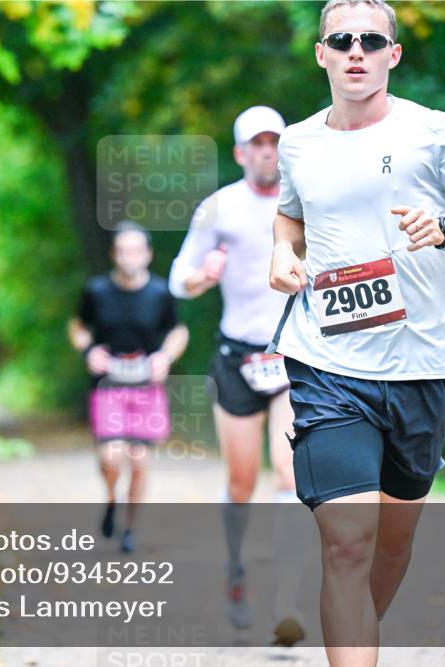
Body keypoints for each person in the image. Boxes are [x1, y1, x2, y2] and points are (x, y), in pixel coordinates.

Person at [267, 1, 445, 664]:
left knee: (389, 544)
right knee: (349, 540)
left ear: (393, 54)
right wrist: (281, 252)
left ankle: (352, 621)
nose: (357, 51)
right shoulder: (298, 143)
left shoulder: (438, 135)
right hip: (325, 361)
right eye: (342, 40)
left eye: (371, 40)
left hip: (421, 368)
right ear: (321, 53)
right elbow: (290, 219)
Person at [169, 106, 310, 643]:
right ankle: (236, 569)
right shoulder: (219, 207)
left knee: (290, 477)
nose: (267, 151)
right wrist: (202, 277)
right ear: (240, 153)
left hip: (292, 354)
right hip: (237, 357)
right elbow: (178, 278)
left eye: (274, 141)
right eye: (256, 143)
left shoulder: (306, 201)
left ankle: (286, 603)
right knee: (241, 482)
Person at [68, 221, 189, 553]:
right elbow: (78, 327)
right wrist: (87, 351)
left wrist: (165, 357)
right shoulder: (96, 291)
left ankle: (130, 527)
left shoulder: (160, 293)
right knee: (111, 456)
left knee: (139, 461)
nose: (129, 257)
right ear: (113, 255)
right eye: (122, 251)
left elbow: (178, 332)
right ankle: (110, 500)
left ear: (147, 255)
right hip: (108, 385)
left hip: (145, 387)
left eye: (135, 250)